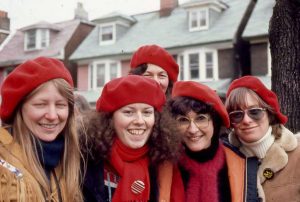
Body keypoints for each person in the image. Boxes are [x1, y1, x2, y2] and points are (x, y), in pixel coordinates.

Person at [82, 75, 183, 202]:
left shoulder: (164, 164)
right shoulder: (85, 162)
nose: (140, 121)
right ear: (110, 118)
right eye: (129, 112)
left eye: (147, 112)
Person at [0, 57, 83, 201]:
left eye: (60, 105)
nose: (52, 115)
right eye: (40, 104)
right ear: (19, 110)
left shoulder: (70, 159)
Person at [168, 81, 253, 202]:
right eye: (183, 120)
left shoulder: (242, 164)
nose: (192, 129)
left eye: (201, 118)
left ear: (215, 122)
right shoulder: (165, 165)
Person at [225, 75, 300, 201]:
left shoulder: (297, 156)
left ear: (270, 114)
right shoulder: (225, 162)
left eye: (255, 112)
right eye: (237, 115)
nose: (246, 120)